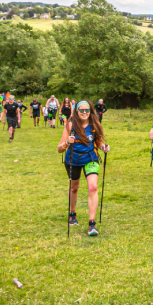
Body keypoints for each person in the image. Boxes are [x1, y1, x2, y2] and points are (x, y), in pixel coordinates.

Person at [58, 100, 110, 237]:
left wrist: (104, 147)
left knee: (93, 187)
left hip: (91, 159)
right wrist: (66, 143)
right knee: (74, 187)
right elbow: (59, 149)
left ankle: (92, 224)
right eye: (81, 110)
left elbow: (99, 142)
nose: (84, 113)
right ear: (76, 111)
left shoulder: (94, 124)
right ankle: (72, 213)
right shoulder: (70, 125)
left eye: (87, 110)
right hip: (73, 160)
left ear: (90, 111)